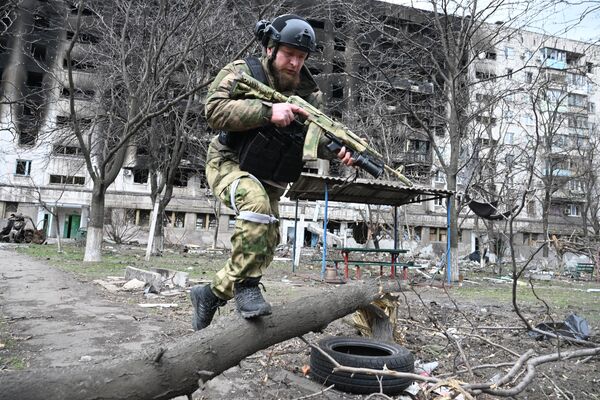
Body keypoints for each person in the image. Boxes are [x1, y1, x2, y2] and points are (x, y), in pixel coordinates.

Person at [191, 14, 354, 330]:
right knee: (255, 208)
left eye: (301, 57)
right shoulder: (242, 72)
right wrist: (268, 111)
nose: (295, 63)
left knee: (267, 238)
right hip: (229, 162)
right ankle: (247, 287)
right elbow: (213, 110)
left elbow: (312, 138)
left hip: (270, 173)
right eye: (289, 54)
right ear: (270, 48)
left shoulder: (309, 94)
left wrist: (337, 151)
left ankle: (210, 294)